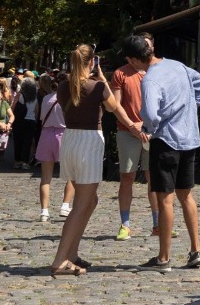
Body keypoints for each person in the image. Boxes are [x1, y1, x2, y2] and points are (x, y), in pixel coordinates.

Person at [49, 45, 146, 276]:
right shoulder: (97, 86)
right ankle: (60, 260)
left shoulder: (63, 86)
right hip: (89, 141)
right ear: (92, 62)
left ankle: (71, 253)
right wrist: (103, 79)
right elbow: (114, 107)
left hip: (71, 140)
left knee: (90, 201)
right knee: (82, 203)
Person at [130, 34, 200, 270]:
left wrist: (147, 127)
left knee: (165, 198)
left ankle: (163, 257)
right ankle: (195, 250)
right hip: (189, 137)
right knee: (186, 195)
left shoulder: (149, 79)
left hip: (166, 141)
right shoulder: (176, 65)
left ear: (134, 60)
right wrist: (190, 107)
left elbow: (152, 115)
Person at [110, 51, 154, 241]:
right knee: (127, 176)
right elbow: (115, 105)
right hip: (127, 131)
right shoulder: (121, 73)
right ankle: (125, 225)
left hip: (153, 132)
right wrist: (132, 126)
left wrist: (151, 127)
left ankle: (159, 223)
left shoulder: (156, 71)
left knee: (154, 177)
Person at [33, 75, 75, 222]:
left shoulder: (45, 99)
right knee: (72, 174)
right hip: (63, 134)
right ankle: (65, 204)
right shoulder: (67, 99)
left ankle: (44, 211)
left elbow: (38, 116)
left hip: (45, 135)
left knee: (45, 177)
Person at [14, 73, 40, 170]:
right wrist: (35, 119)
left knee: (18, 141)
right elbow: (36, 111)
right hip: (31, 120)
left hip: (19, 120)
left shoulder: (19, 95)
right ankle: (25, 162)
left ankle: (17, 161)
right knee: (27, 142)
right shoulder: (35, 97)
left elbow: (13, 107)